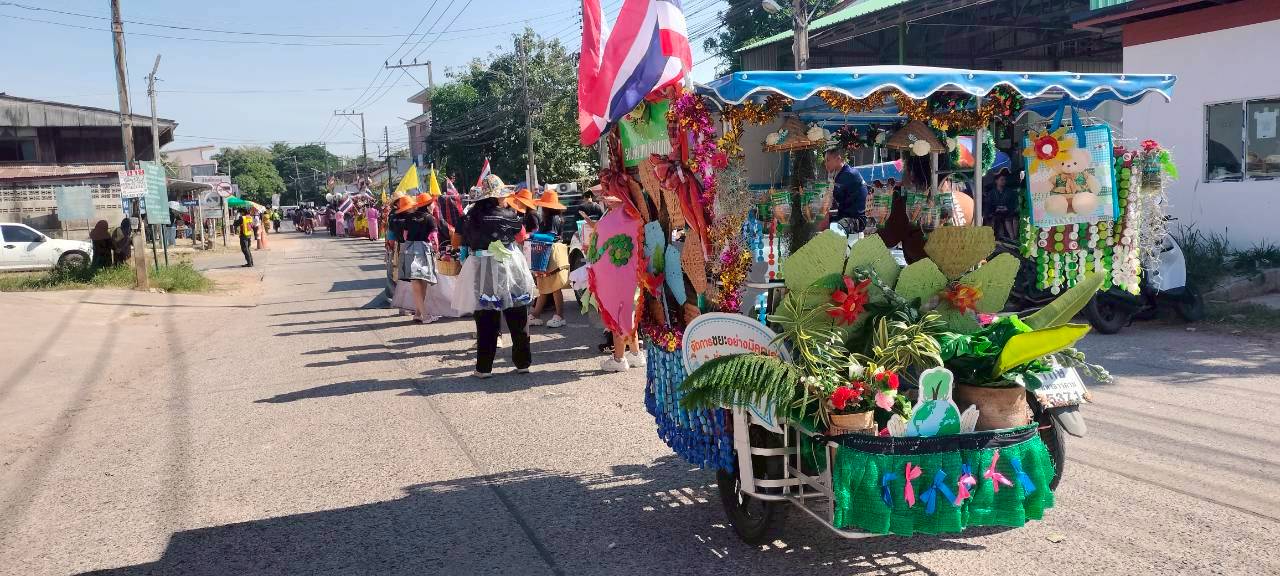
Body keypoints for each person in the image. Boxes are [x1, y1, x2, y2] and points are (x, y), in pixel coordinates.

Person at [457, 174, 534, 378]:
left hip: (482, 267)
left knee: (486, 316)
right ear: (497, 196)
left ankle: (484, 368)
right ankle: (523, 363)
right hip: (510, 265)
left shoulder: (469, 217)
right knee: (517, 313)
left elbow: (461, 241)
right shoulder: (510, 215)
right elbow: (521, 237)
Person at [528, 188, 569, 328]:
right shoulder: (554, 218)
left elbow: (550, 236)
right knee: (544, 285)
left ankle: (560, 316)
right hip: (548, 252)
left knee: (554, 286)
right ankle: (535, 314)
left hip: (551, 252)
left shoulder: (552, 219)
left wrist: (532, 235)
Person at [400, 194, 441, 324]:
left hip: (409, 249)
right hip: (423, 250)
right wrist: (436, 250)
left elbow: (405, 235)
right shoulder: (430, 218)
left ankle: (418, 314)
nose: (434, 205)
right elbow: (434, 238)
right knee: (422, 282)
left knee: (416, 281)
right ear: (428, 205)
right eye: (432, 203)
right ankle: (425, 316)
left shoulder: (409, 217)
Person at [823, 148, 868, 234]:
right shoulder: (842, 172)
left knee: (825, 224)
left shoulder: (847, 175)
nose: (825, 164)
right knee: (821, 222)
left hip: (856, 221)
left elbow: (830, 200)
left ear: (838, 159)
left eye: (828, 160)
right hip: (845, 216)